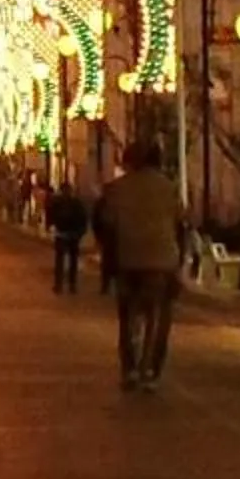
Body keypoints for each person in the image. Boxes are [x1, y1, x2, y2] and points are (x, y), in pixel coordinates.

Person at [101, 139, 185, 393]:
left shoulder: (116, 189)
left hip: (127, 260)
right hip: (162, 261)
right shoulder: (168, 188)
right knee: (158, 317)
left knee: (127, 316)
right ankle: (151, 369)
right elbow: (180, 222)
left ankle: (130, 369)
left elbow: (107, 224)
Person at [48, 179, 89, 293]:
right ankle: (69, 284)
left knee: (62, 261)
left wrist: (51, 225)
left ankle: (61, 284)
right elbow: (82, 218)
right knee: (70, 261)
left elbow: (51, 215)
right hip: (70, 234)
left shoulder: (60, 202)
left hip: (65, 234)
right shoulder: (74, 202)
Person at [91, 182, 120, 295]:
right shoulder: (103, 203)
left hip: (112, 235)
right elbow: (96, 220)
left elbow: (96, 220)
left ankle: (108, 285)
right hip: (108, 235)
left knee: (112, 261)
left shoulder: (105, 203)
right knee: (108, 261)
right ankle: (106, 285)